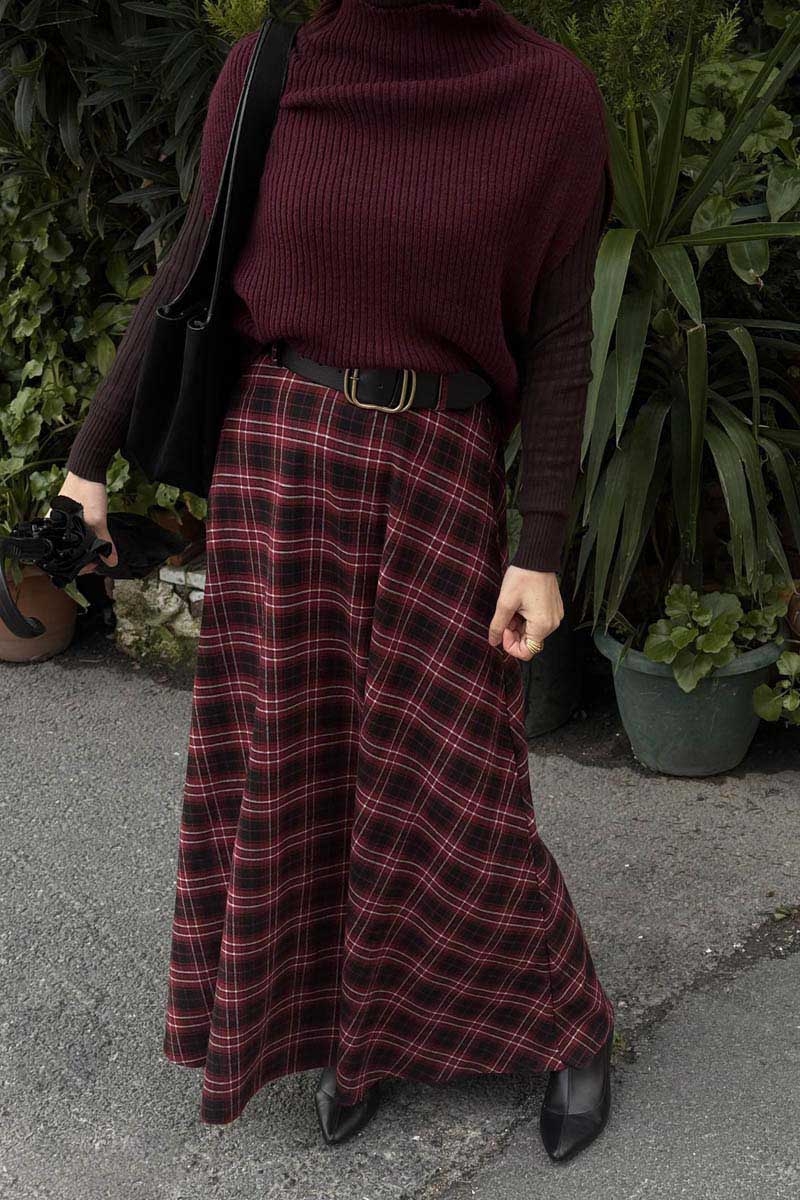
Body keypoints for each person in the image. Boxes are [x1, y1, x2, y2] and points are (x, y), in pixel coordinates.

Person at [62, 0, 616, 1163]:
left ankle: (566, 1022)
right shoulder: (273, 69)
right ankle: (348, 1038)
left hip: (440, 470)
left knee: (457, 783)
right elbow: (191, 265)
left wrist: (540, 545)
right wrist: (86, 462)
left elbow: (561, 332)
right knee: (294, 769)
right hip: (278, 459)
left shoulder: (548, 99)